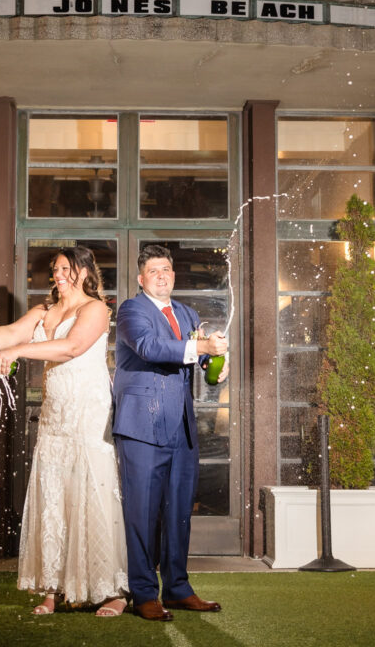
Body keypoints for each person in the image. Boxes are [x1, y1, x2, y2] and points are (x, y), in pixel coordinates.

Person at [0, 247, 128, 617]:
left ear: (84, 271)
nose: (58, 275)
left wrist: (18, 352)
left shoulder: (96, 309)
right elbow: (13, 331)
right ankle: (52, 589)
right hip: (55, 416)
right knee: (52, 495)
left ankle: (110, 589)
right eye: (55, 269)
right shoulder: (45, 311)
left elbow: (71, 347)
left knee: (92, 493)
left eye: (66, 268)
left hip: (87, 414)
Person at [113, 244, 228, 622]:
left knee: (179, 512)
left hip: (181, 427)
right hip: (142, 426)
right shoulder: (131, 310)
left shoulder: (187, 312)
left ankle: (177, 588)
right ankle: (144, 593)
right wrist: (200, 347)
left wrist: (216, 363)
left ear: (174, 276)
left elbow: (202, 357)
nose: (162, 275)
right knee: (142, 514)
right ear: (141, 278)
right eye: (154, 270)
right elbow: (148, 346)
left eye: (167, 269)